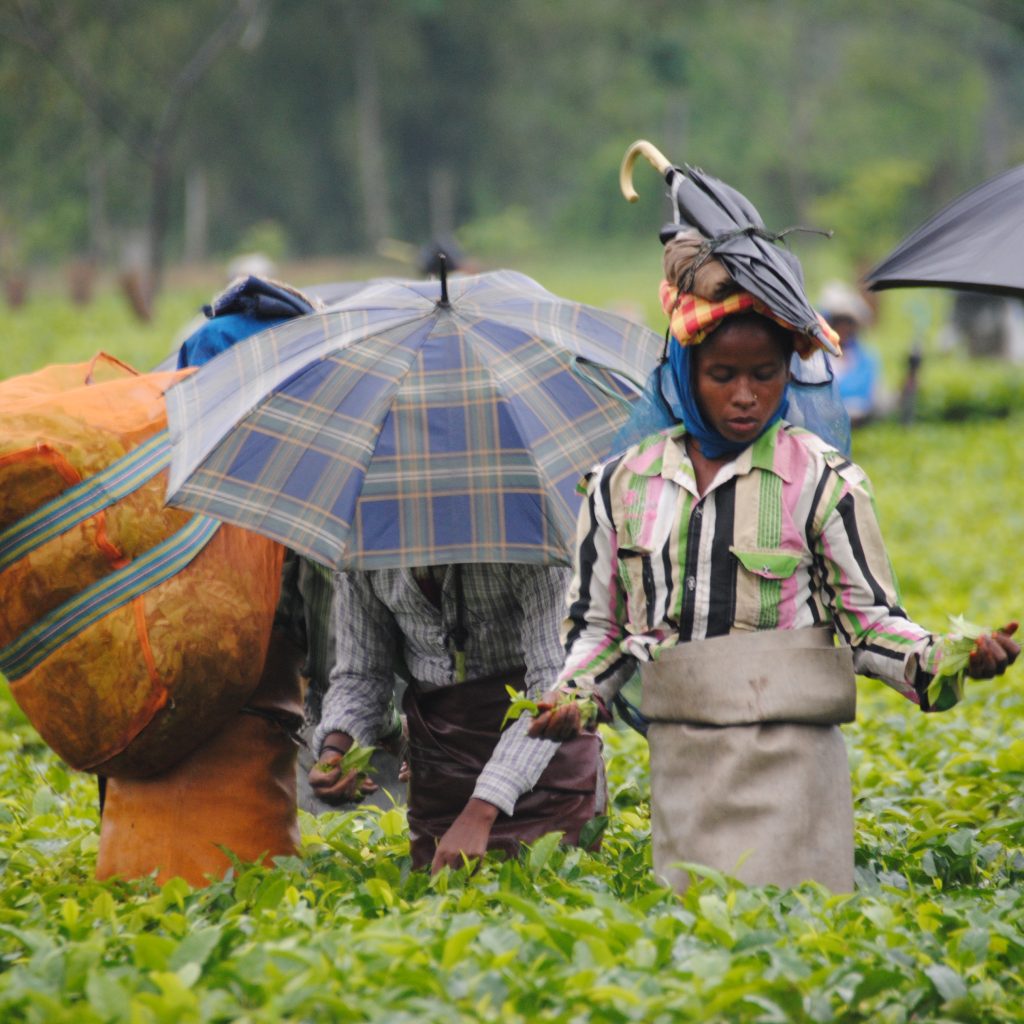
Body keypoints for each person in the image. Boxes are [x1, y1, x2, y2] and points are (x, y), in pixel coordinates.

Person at [530, 247, 1018, 894]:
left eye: (764, 374)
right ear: (684, 372)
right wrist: (576, 694)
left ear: (790, 374)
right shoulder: (621, 484)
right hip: (683, 764)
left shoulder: (821, 480)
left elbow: (869, 625)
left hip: (796, 766)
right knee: (698, 938)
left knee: (797, 934)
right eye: (722, 373)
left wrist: (947, 658)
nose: (744, 396)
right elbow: (603, 628)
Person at [308, 563, 605, 873]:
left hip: (547, 773)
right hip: (442, 773)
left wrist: (481, 809)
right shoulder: (368, 555)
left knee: (548, 892)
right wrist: (336, 749)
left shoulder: (534, 552)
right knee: (443, 900)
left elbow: (554, 685)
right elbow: (361, 675)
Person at [819, 281, 881, 425]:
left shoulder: (865, 359)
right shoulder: (815, 358)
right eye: (839, 322)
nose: (844, 328)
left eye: (849, 323)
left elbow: (873, 397)